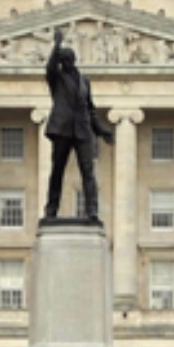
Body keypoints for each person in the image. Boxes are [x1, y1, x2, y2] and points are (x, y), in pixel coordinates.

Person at [44, 28, 113, 221]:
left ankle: (92, 210)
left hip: (82, 130)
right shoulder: (56, 79)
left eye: (68, 60)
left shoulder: (84, 82)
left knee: (88, 172)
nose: (66, 63)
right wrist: (56, 45)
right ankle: (51, 208)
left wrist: (101, 130)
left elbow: (89, 108)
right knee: (57, 170)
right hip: (62, 129)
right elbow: (49, 68)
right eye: (63, 61)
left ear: (73, 61)